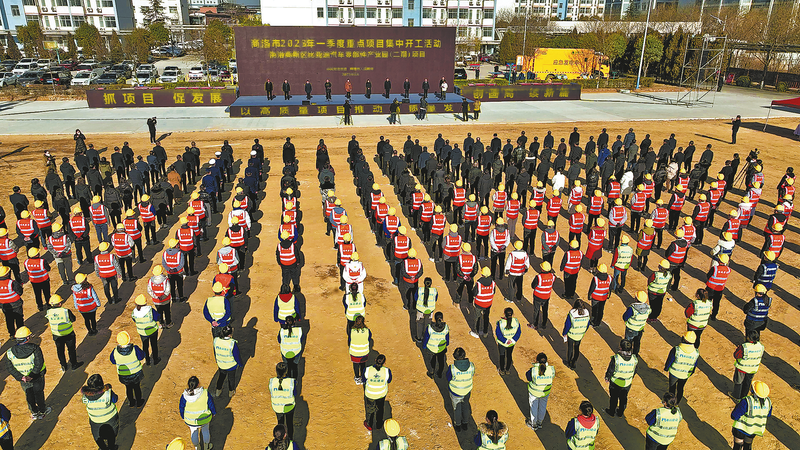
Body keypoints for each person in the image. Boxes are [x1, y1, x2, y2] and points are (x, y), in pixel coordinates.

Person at [6, 326, 50, 419]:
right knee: (39, 393)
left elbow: (10, 368)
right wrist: (32, 375)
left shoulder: (9, 352)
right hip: (37, 377)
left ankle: (34, 412)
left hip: (24, 379)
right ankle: (42, 410)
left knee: (29, 395)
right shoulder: (35, 348)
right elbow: (39, 363)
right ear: (28, 338)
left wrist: (21, 377)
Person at [45, 294, 83, 372]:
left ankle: (63, 365)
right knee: (71, 350)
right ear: (59, 303)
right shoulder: (66, 311)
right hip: (69, 334)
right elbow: (73, 319)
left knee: (60, 351)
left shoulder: (48, 312)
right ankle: (74, 364)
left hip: (57, 335)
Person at [81, 373, 119, 450]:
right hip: (110, 419)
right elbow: (115, 399)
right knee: (111, 436)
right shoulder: (107, 393)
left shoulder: (85, 396)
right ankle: (112, 448)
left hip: (95, 421)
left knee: (97, 436)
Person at [731, 380, 772, 450]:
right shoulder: (768, 402)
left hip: (741, 429)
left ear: (753, 391)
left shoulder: (747, 401)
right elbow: (768, 414)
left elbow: (734, 415)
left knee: (737, 446)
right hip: (753, 430)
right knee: (748, 445)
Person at [179, 376, 215, 450]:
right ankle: (206, 446)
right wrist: (213, 412)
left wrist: (183, 416)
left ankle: (197, 447)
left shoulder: (184, 395)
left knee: (193, 432)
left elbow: (181, 407)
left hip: (190, 420)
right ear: (198, 384)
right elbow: (211, 404)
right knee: (205, 431)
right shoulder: (205, 393)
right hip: (205, 419)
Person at [110, 331, 145, 407]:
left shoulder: (115, 351)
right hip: (136, 374)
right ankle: (139, 402)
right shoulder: (135, 348)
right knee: (137, 387)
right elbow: (141, 356)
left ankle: (131, 402)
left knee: (128, 388)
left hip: (124, 375)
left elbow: (113, 361)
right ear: (129, 339)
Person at [605, 339, 638, 418]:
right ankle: (620, 413)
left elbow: (611, 370)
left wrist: (607, 377)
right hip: (627, 383)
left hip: (615, 382)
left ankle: (612, 412)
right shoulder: (634, 359)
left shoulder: (616, 359)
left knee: (614, 398)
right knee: (623, 398)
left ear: (620, 348)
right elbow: (635, 371)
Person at [664, 331, 699, 403]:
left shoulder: (676, 350)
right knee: (680, 388)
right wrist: (691, 373)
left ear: (683, 339)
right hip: (685, 375)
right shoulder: (696, 353)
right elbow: (694, 364)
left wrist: (666, 368)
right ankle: (677, 403)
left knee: (672, 388)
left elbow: (670, 360)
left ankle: (671, 403)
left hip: (674, 373)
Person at [447, 347, 474, 432]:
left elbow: (448, 378)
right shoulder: (471, 366)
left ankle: (458, 424)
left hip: (455, 392)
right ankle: (465, 423)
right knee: (465, 406)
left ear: (454, 356)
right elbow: (472, 374)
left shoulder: (452, 368)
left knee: (457, 409)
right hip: (467, 391)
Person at [732, 330, 764, 401]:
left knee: (738, 382)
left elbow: (736, 355)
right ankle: (744, 397)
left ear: (749, 338)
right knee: (747, 383)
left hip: (742, 368)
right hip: (753, 369)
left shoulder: (744, 347)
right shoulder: (761, 346)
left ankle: (736, 396)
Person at [525, 352, 554, 430]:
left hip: (534, 393)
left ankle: (533, 423)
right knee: (542, 407)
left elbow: (528, 377)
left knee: (534, 407)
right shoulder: (551, 370)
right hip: (545, 393)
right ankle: (539, 422)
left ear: (537, 361)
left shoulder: (533, 370)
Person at [363, 353, 392, 431]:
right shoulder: (387, 371)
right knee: (380, 409)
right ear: (384, 363)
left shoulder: (367, 369)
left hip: (370, 394)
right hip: (381, 394)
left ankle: (369, 425)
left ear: (375, 360)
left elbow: (364, 379)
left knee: (370, 410)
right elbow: (389, 380)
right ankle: (379, 424)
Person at [269, 362, 296, 439]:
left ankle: (280, 437)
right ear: (286, 371)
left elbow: (271, 392)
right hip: (289, 407)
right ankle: (290, 439)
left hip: (277, 407)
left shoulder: (271, 382)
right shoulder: (291, 382)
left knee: (280, 423)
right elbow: (295, 393)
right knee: (289, 423)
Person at [132, 294, 161, 365]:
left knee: (145, 346)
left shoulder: (134, 312)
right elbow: (157, 318)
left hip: (142, 332)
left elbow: (134, 319)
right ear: (145, 303)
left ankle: (147, 360)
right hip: (153, 331)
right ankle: (155, 359)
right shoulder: (150, 310)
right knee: (154, 345)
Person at [562, 300, 590, 370]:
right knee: (577, 348)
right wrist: (583, 331)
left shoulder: (572, 314)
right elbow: (587, 325)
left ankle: (569, 362)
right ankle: (574, 362)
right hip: (580, 335)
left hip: (571, 334)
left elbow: (567, 325)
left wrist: (564, 333)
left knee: (570, 348)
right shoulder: (586, 313)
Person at [623, 291, 651, 355]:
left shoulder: (632, 308)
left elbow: (625, 317)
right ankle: (635, 354)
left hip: (630, 329)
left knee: (628, 342)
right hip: (640, 329)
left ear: (636, 299)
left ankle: (627, 354)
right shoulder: (648, 308)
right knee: (637, 342)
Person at [495, 308, 521, 375]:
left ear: (504, 314)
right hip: (511, 344)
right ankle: (507, 369)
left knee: (502, 356)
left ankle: (502, 370)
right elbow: (518, 333)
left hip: (502, 343)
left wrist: (505, 341)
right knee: (509, 355)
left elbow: (498, 334)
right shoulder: (516, 322)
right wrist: (512, 340)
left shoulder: (500, 323)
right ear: (512, 314)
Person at [348, 314, 372, 385]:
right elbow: (369, 338)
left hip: (354, 352)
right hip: (364, 352)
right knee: (363, 365)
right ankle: (362, 377)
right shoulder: (367, 331)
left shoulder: (352, 331)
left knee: (355, 365)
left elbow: (350, 340)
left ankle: (357, 378)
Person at [414, 278, 438, 343]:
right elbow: (435, 299)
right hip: (430, 310)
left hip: (420, 310)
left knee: (419, 323)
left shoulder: (419, 290)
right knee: (428, 324)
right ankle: (426, 337)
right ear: (431, 283)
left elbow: (415, 298)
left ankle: (419, 338)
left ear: (424, 283)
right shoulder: (434, 291)